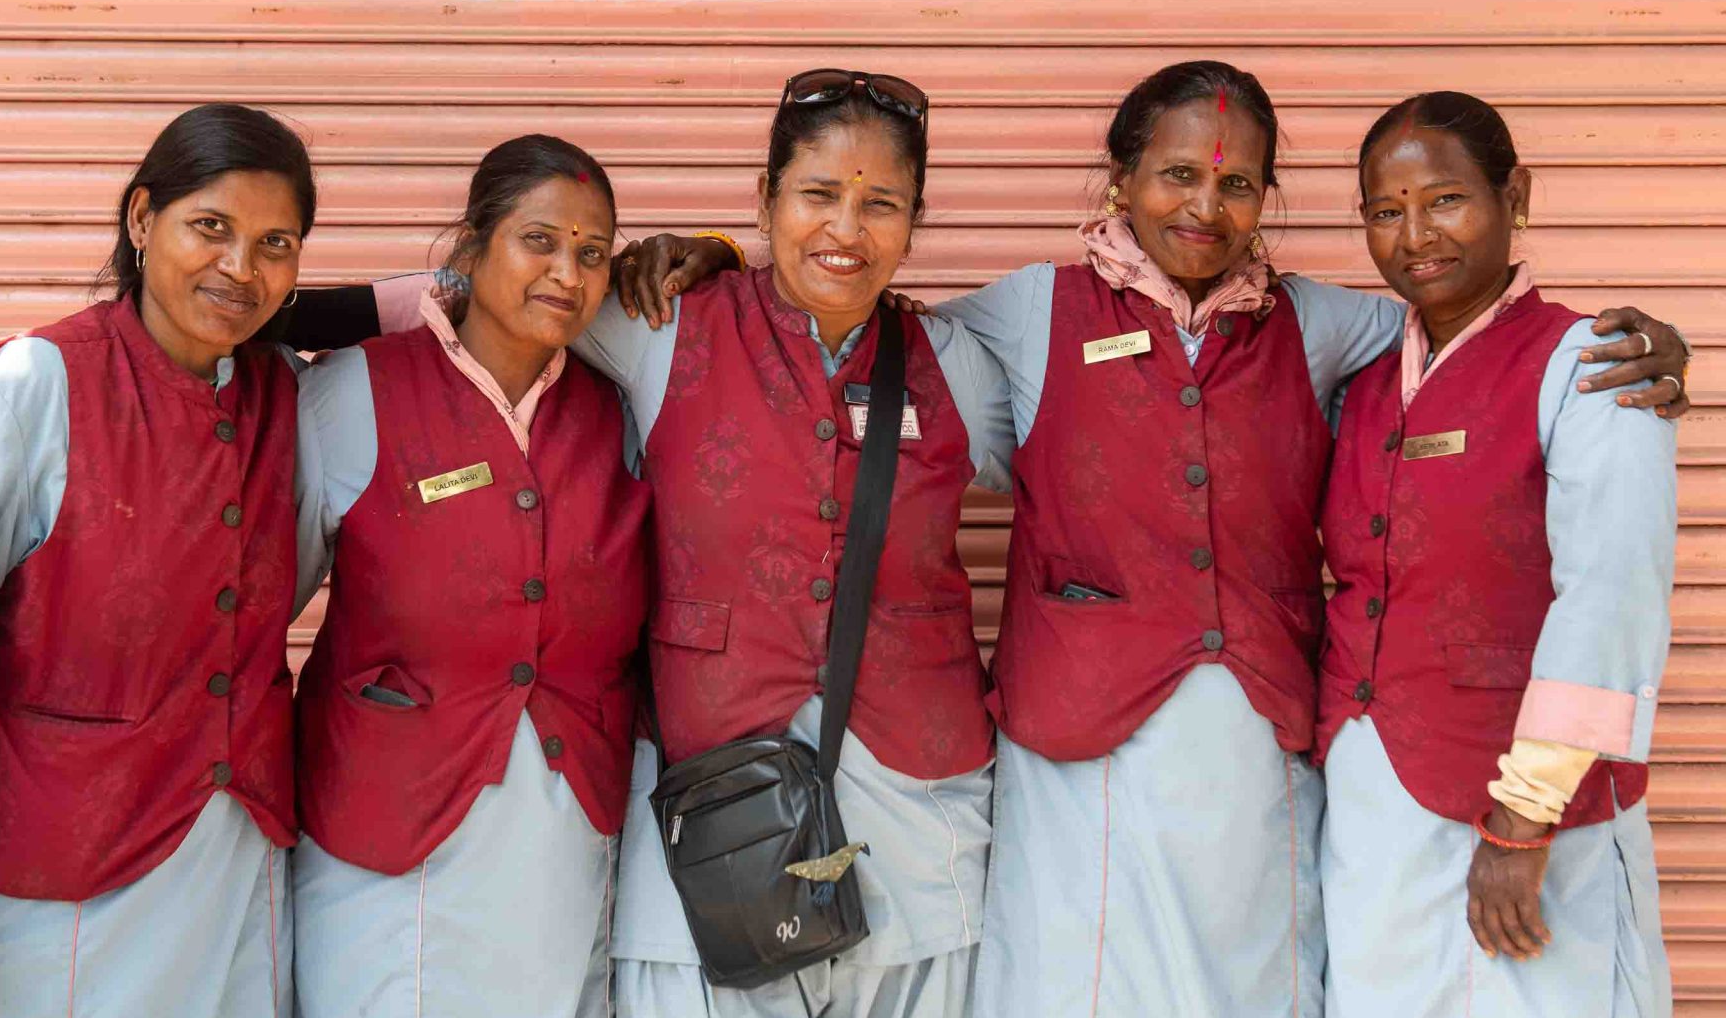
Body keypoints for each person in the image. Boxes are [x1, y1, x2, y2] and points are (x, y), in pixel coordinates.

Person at [625, 61, 1688, 1017]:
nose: (1204, 205)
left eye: (1235, 184)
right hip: (1077, 754)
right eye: (1177, 175)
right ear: (1121, 181)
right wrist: (716, 258)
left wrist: (1623, 341)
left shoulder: (1324, 325)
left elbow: (1464, 327)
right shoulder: (1027, 315)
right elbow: (857, 305)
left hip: (1259, 756)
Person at [282, 70, 1018, 1018]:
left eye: (881, 205)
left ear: (915, 224)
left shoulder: (959, 364)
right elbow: (496, 300)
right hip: (711, 819)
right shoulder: (663, 326)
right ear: (764, 201)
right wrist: (267, 317)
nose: (846, 229)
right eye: (818, 195)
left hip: (915, 822)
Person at [0, 103, 314, 1016]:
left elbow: (442, 311)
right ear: (139, 219)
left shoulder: (287, 393)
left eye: (275, 243)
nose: (241, 268)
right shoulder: (32, 388)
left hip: (223, 862)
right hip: (41, 872)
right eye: (211, 228)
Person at [1314, 92, 1674, 1018]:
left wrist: (1525, 816)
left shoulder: (1588, 367)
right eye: (1385, 213)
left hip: (1526, 810)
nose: (1415, 235)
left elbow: (1610, 596)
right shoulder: (1356, 379)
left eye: (1444, 200)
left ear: (1515, 195)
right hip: (1376, 803)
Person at [288, 135, 651, 1017]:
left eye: (592, 253)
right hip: (387, 827)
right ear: (473, 246)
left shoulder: (620, 412)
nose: (567, 271)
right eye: (540, 241)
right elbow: (264, 599)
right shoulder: (353, 393)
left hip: (562, 834)